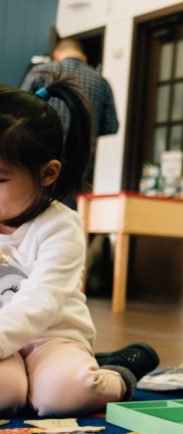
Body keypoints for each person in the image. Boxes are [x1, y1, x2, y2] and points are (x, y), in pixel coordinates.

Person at [0, 80, 137, 416]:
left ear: (48, 173)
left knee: (63, 395)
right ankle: (26, 382)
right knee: (5, 395)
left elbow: (41, 301)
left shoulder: (61, 226)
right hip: (5, 346)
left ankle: (118, 372)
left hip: (53, 339)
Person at [21, 38, 119, 202]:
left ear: (56, 55)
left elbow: (20, 108)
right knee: (71, 204)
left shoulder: (41, 71)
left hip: (42, 148)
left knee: (37, 201)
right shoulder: (101, 81)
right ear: (84, 58)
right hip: (82, 154)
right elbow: (111, 126)